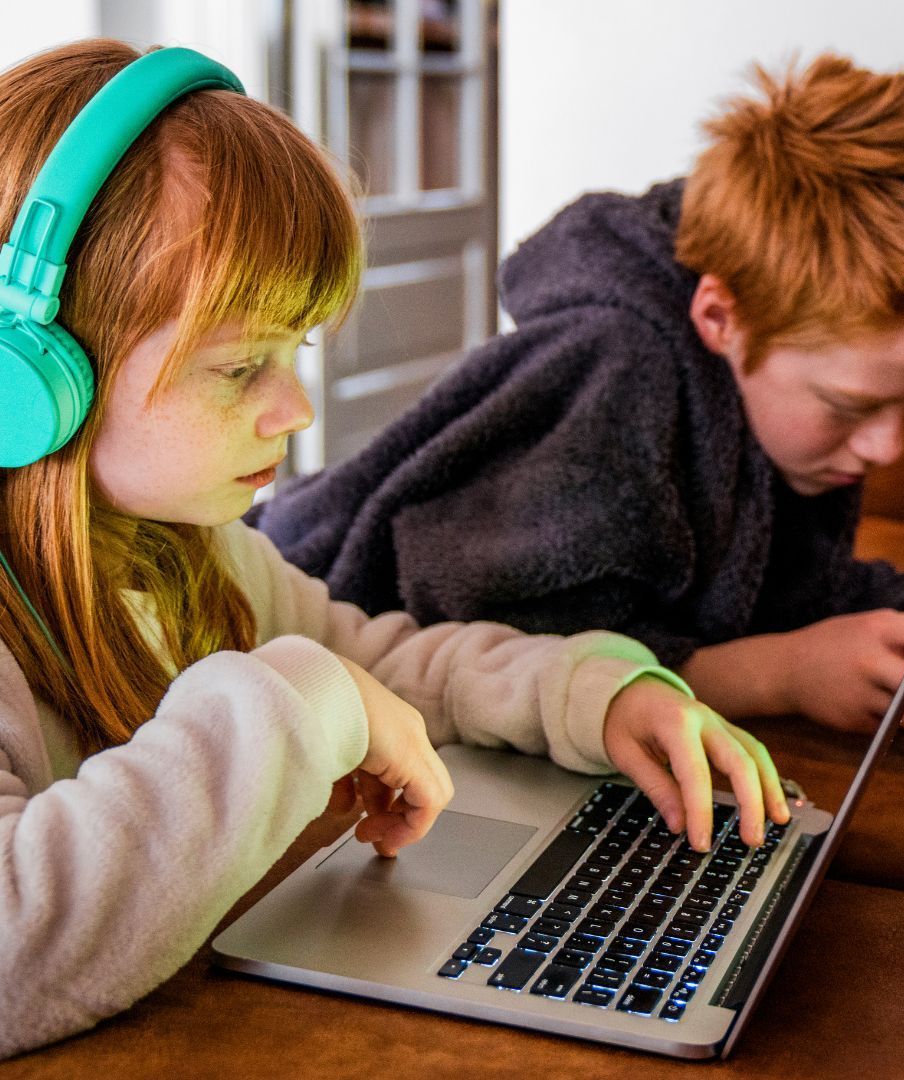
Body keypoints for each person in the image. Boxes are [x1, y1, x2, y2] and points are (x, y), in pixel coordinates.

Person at [0, 41, 791, 1059]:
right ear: (28, 379)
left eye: (299, 352)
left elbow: (387, 659)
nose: (293, 408)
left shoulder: (185, 554)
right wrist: (299, 697)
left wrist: (595, 694)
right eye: (241, 366)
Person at [253, 53, 904, 735]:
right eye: (852, 406)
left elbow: (782, 586)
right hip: (295, 641)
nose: (886, 448)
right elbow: (495, 645)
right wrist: (780, 676)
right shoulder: (616, 373)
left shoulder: (775, 425)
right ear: (721, 316)